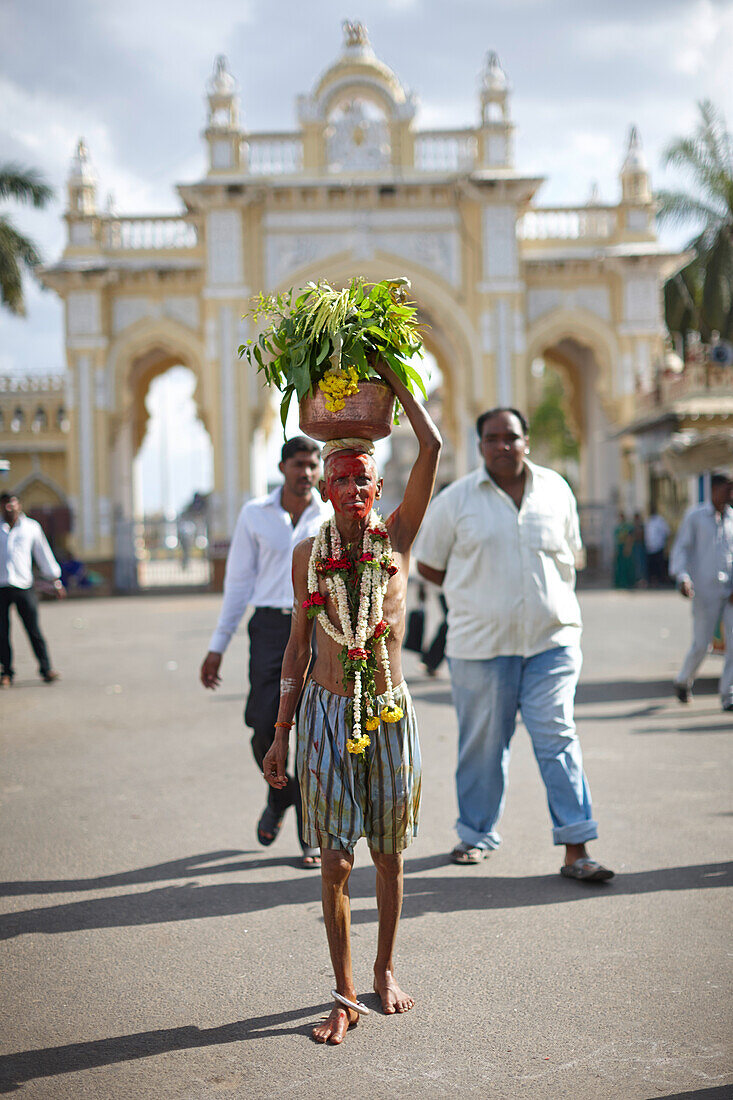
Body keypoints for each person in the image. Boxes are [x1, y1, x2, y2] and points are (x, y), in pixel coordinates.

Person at [263, 361, 441, 1045]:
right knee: (336, 859)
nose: (347, 489)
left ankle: (383, 969)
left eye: (360, 479)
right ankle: (342, 993)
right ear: (325, 488)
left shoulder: (392, 540)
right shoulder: (308, 553)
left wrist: (391, 378)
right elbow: (296, 647)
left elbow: (431, 449)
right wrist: (281, 731)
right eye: (337, 479)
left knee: (389, 857)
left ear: (376, 486)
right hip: (325, 713)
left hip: (388, 712)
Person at [415, 408, 613, 882]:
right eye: (493, 438)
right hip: (481, 647)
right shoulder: (456, 500)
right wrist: (477, 594)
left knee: (558, 738)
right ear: (480, 444)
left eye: (512, 437)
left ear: (527, 441)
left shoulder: (556, 490)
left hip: (552, 640)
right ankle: (476, 834)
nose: (503, 445)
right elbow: (429, 565)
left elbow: (571, 556)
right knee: (482, 748)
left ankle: (576, 847)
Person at [199, 437, 329, 867]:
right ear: (282, 467)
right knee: (262, 725)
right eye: (299, 464)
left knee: (312, 731)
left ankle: (309, 831)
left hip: (319, 627)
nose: (306, 473)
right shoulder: (255, 514)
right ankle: (282, 798)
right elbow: (237, 583)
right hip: (271, 628)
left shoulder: (329, 512)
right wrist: (217, 647)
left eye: (313, 465)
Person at [670, 473, 733, 711]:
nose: (730, 495)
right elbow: (681, 551)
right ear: (715, 490)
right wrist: (682, 578)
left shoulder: (731, 519)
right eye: (727, 489)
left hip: (729, 592)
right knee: (702, 644)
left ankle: (728, 695)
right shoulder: (695, 517)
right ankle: (683, 680)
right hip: (704, 591)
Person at [0, 492, 65, 687]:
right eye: (4, 504)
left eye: (12, 503)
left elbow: (43, 554)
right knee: (2, 633)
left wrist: (56, 581)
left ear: (19, 504)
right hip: (1, 586)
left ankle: (46, 669)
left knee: (33, 630)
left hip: (24, 586)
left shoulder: (31, 527)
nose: (9, 507)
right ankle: (7, 672)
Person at [644, 509, 670, 587]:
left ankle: (659, 580)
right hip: (649, 547)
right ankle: (651, 581)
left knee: (659, 565)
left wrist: (664, 543)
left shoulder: (660, 521)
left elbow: (666, 532)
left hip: (658, 547)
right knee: (651, 566)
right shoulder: (648, 521)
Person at [613, 511, 635, 589]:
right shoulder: (619, 527)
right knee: (620, 566)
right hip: (620, 547)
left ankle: (628, 582)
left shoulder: (627, 527)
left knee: (627, 566)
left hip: (625, 546)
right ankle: (620, 582)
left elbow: (630, 537)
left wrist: (628, 547)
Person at [631, 511, 648, 587]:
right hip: (636, 546)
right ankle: (637, 580)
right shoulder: (633, 526)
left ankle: (642, 580)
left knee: (641, 564)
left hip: (640, 546)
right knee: (636, 564)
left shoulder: (641, 526)